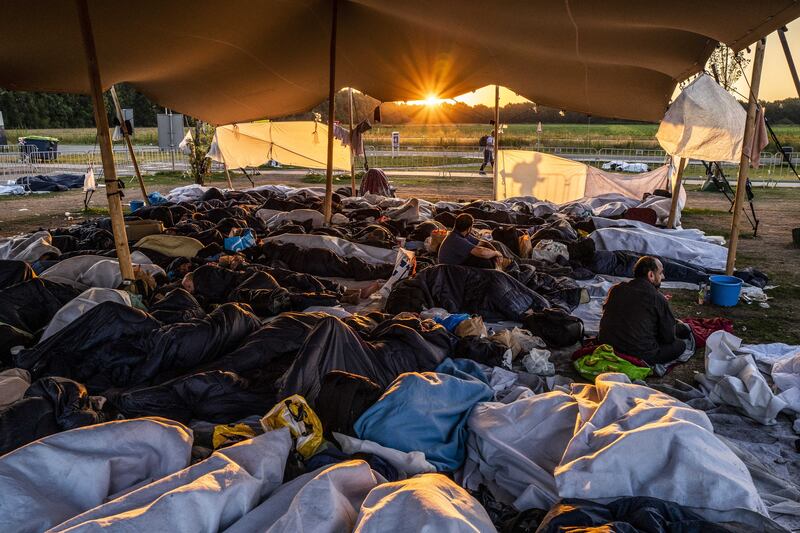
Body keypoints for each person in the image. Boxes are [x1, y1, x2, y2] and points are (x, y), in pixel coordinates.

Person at [598, 256, 690, 364]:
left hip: (608, 346)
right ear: (651, 275)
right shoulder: (656, 297)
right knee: (681, 344)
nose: (663, 277)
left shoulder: (616, 289)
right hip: (642, 354)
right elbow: (668, 338)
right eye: (660, 273)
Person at [437, 213, 502, 268]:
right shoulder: (456, 239)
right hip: (449, 272)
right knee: (484, 262)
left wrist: (496, 253)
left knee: (491, 247)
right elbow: (482, 253)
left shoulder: (460, 234)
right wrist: (496, 253)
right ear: (469, 228)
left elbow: (483, 243)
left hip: (456, 267)